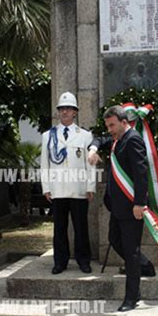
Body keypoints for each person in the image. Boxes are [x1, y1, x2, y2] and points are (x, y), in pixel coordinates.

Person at [88, 105, 150, 312]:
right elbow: (98, 140)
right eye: (107, 125)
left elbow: (142, 174)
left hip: (132, 207)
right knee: (115, 240)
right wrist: (93, 149)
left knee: (131, 253)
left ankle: (132, 297)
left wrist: (139, 204)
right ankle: (145, 265)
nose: (109, 129)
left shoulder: (132, 140)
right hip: (117, 207)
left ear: (124, 123)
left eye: (112, 125)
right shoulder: (117, 139)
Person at [40, 91, 96, 274]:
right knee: (59, 228)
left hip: (79, 189)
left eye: (69, 109)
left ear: (75, 112)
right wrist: (46, 188)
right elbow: (44, 165)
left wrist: (90, 186)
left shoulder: (85, 135)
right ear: (58, 112)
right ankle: (60, 261)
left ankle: (83, 260)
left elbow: (90, 164)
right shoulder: (48, 135)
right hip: (57, 189)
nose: (65, 112)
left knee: (81, 228)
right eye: (62, 109)